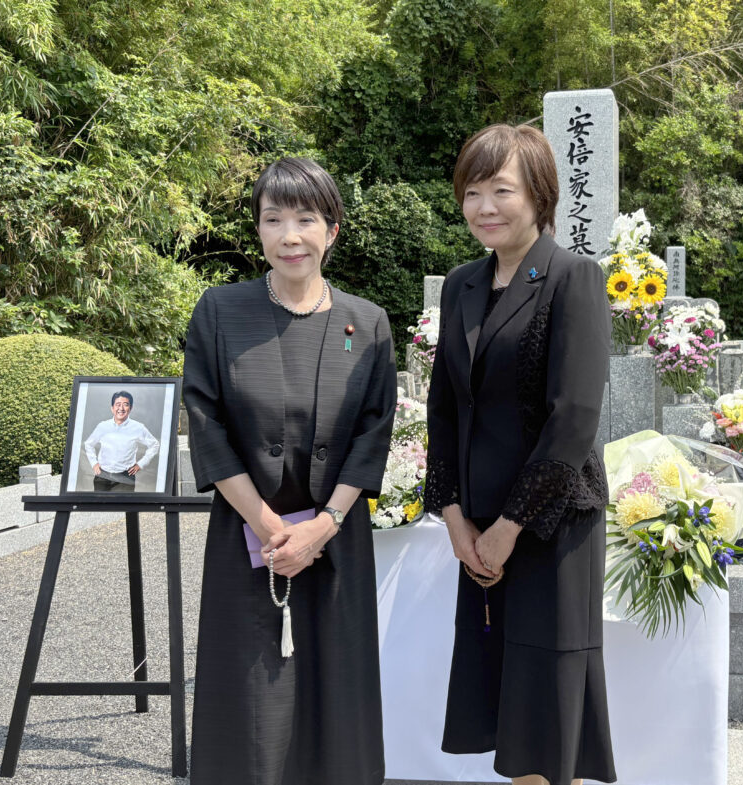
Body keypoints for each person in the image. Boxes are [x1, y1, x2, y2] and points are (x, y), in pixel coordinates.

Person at [183, 157, 397, 785]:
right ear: (258, 230)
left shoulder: (367, 322)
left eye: (306, 219)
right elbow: (206, 424)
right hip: (249, 536)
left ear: (332, 229)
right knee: (252, 698)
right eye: (273, 219)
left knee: (337, 692)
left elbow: (373, 433)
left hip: (336, 539)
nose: (290, 236)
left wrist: (323, 526)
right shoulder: (220, 311)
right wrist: (270, 527)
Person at [425, 124, 616, 785]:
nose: (484, 207)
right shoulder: (461, 285)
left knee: (546, 710)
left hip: (549, 526)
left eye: (501, 190)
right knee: (503, 697)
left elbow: (574, 419)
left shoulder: (572, 278)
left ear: (539, 194)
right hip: (477, 527)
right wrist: (455, 518)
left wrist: (509, 528)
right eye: (471, 192)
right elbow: (444, 408)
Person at [82, 390, 159, 491]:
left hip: (125, 477)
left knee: (123, 502)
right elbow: (88, 444)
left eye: (125, 405)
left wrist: (140, 464)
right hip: (102, 475)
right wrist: (94, 463)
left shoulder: (138, 427)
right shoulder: (102, 426)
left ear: (130, 408)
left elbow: (154, 445)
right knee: (99, 501)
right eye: (118, 404)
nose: (121, 408)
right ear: (112, 408)